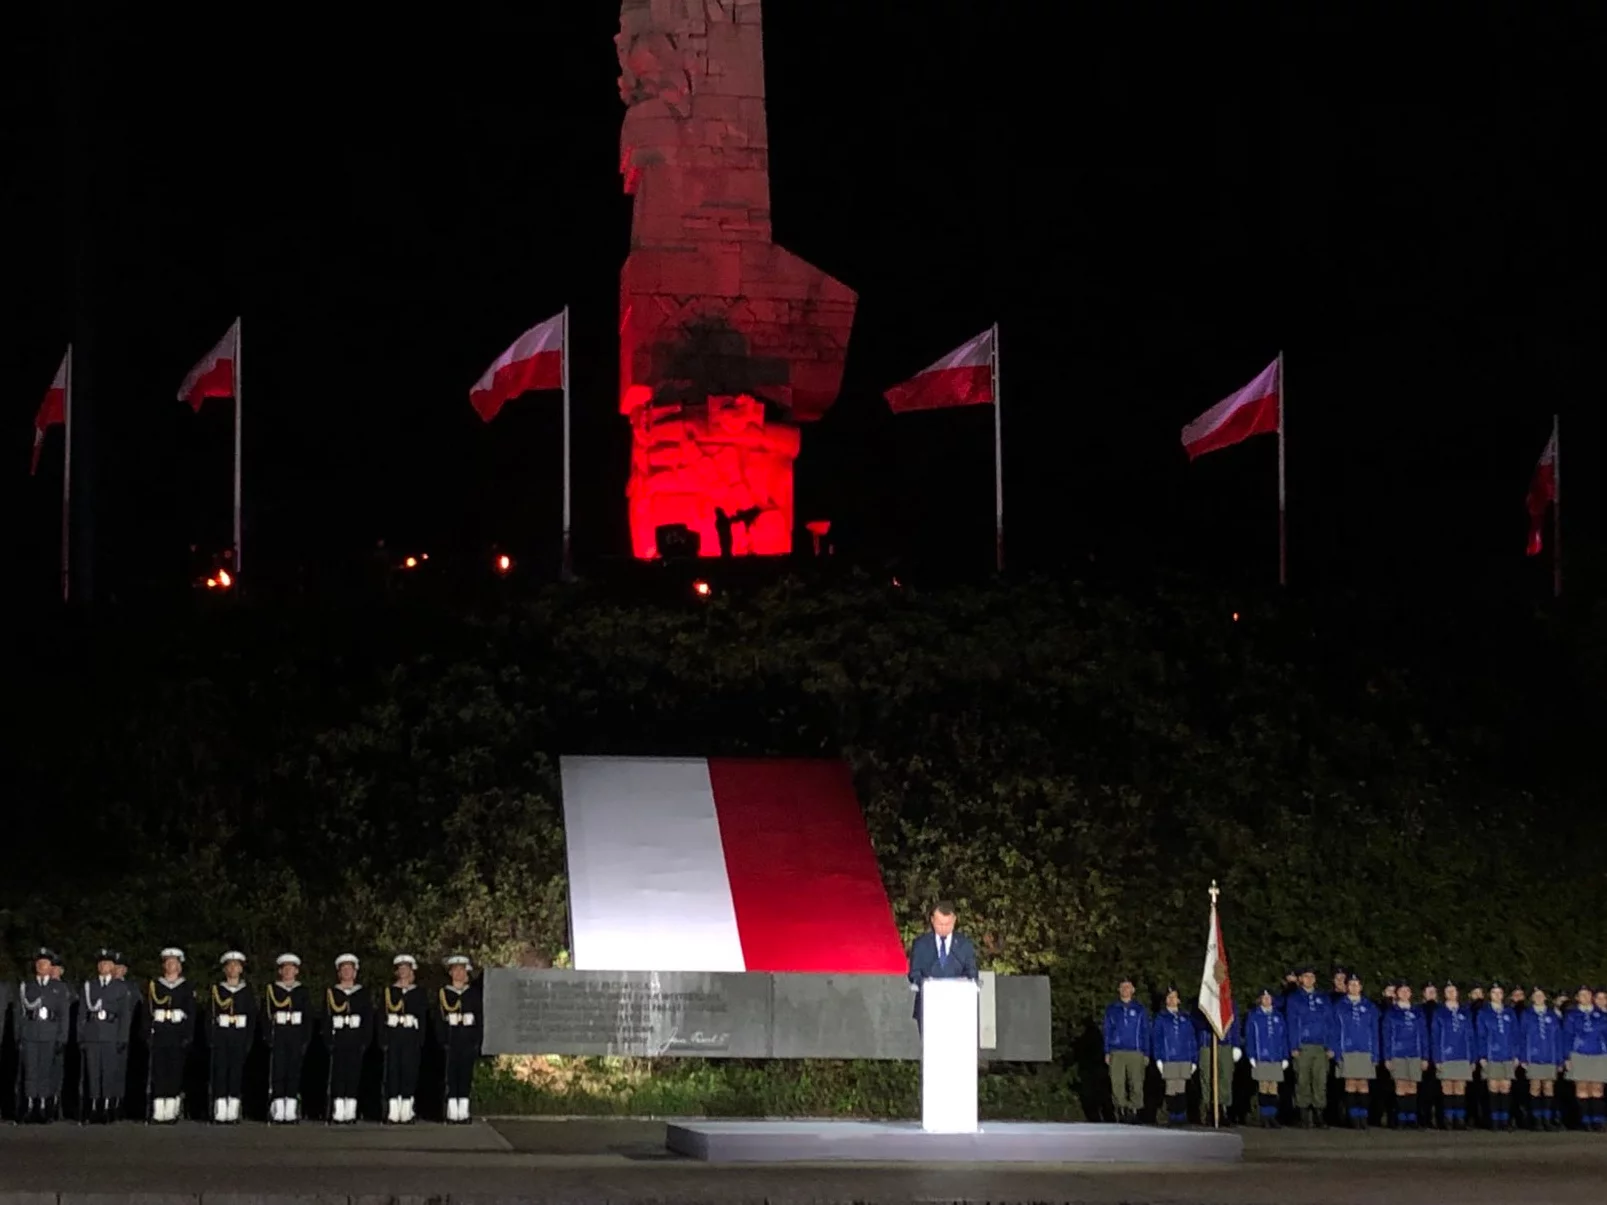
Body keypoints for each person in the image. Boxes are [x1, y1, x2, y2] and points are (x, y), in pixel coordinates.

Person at [77, 948, 134, 1124]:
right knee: (93, 1073)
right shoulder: (89, 986)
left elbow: (125, 1016)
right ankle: (94, 1106)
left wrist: (122, 1038)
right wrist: (81, 1037)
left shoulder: (120, 988)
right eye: (101, 963)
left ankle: (108, 1106)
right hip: (93, 1034)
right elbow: (82, 1015)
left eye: (107, 963)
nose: (103, 966)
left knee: (108, 1073)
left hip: (111, 1033)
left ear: (112, 966)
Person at [15, 948, 71, 1123]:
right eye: (39, 963)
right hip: (30, 1033)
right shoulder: (27, 986)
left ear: (51, 966)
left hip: (50, 1033)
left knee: (46, 1072)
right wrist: (19, 1035)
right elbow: (20, 1014)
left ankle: (44, 1107)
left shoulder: (59, 988)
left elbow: (64, 1015)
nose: (41, 965)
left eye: (45, 963)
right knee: (31, 1072)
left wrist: (62, 1037)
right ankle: (30, 1106)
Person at [906, 901, 978, 1030]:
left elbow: (972, 973)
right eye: (940, 924)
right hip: (928, 1007)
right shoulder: (921, 944)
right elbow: (914, 973)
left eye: (948, 924)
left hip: (958, 1008)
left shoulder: (964, 945)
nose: (944, 927)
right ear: (932, 920)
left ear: (954, 920)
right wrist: (926, 984)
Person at [146, 947, 197, 1123]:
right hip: (160, 1034)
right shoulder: (155, 986)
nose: (170, 965)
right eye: (168, 962)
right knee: (159, 1072)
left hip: (177, 1034)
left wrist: (188, 1035)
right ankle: (159, 1110)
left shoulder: (186, 987)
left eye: (174, 963)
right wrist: (147, 1033)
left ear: (179, 967)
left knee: (174, 1072)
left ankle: (172, 1110)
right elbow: (148, 1012)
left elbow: (191, 1013)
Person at [207, 951, 255, 1124]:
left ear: (241, 969)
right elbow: (210, 1016)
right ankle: (220, 1109)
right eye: (230, 966)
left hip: (239, 1036)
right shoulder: (217, 990)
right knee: (220, 1072)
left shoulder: (247, 991)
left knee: (236, 1072)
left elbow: (251, 1017)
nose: (233, 969)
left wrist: (249, 1039)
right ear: (225, 969)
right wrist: (210, 1037)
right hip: (221, 1035)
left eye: (236, 965)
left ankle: (233, 1110)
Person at [434, 954, 483, 1124]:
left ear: (466, 973)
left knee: (465, 1076)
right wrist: (443, 1040)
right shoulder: (444, 993)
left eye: (462, 970)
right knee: (451, 1077)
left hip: (467, 1041)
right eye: (455, 970)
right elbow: (438, 1019)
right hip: (451, 1040)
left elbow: (480, 1018)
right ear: (450, 973)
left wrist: (477, 1039)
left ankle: (463, 1111)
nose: (459, 974)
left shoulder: (473, 994)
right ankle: (451, 1112)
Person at [264, 953, 311, 1124]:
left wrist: (305, 1038)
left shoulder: (302, 991)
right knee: (278, 1071)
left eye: (291, 968)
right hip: (280, 1033)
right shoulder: (272, 990)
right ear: (280, 971)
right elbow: (266, 1015)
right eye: (285, 968)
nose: (288, 971)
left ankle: (290, 1108)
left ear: (296, 971)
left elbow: (307, 1017)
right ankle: (277, 1108)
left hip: (296, 1034)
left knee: (293, 1071)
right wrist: (268, 1036)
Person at [380, 954, 427, 1124]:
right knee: (393, 1072)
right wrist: (383, 1039)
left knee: (409, 1072)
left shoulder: (419, 992)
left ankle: (407, 1110)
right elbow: (381, 1017)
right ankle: (393, 1111)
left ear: (411, 971)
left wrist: (420, 1040)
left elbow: (422, 1017)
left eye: (406, 968)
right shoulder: (389, 992)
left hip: (410, 1037)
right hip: (394, 1036)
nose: (403, 972)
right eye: (400, 969)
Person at [1329, 971, 1380, 1129]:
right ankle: (1352, 1117)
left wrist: (1376, 1054)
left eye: (1356, 984)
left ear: (1361, 987)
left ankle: (1363, 1116)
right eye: (1350, 984)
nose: (1353, 987)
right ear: (1346, 987)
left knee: (1363, 1084)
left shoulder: (1369, 1006)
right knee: (1350, 1083)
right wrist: (1336, 1051)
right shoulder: (1339, 1006)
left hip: (1365, 1049)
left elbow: (1374, 1031)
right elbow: (1334, 1030)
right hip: (1347, 1050)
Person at [324, 954, 370, 1124]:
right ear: (339, 973)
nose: (346, 972)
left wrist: (365, 1040)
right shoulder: (332, 992)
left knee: (353, 1074)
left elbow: (367, 1018)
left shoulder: (362, 993)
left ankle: (350, 1110)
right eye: (343, 969)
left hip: (355, 1037)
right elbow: (326, 1019)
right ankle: (338, 1109)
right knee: (338, 1074)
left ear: (355, 973)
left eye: (349, 969)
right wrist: (329, 1040)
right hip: (339, 1037)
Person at [1285, 964, 1331, 1128]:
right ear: (1300, 979)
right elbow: (1291, 1023)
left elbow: (1329, 1023)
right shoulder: (1294, 998)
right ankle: (1303, 1114)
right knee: (1302, 1080)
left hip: (1320, 1046)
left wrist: (1330, 1045)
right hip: (1303, 1045)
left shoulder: (1323, 998)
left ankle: (1319, 1113)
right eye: (1306, 976)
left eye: (1311, 977)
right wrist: (1294, 1045)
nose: (1309, 979)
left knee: (1320, 1080)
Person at [1103, 977, 1150, 1124]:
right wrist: (1107, 1051)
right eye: (1122, 987)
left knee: (1136, 1083)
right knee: (1117, 1083)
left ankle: (1135, 1110)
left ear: (1133, 990)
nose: (1125, 990)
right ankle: (1121, 1109)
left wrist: (1146, 1052)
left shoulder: (1139, 1009)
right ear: (1119, 990)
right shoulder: (1112, 1009)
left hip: (1135, 1051)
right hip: (1117, 1051)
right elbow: (1107, 1030)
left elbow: (1145, 1031)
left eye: (1128, 987)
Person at [1518, 984, 1563, 1131]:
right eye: (1536, 995)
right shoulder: (1527, 1015)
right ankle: (1536, 1119)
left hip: (1549, 1056)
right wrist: (1523, 1057)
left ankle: (1547, 1118)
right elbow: (1522, 1037)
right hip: (1533, 1056)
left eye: (1541, 995)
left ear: (1545, 998)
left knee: (1549, 1087)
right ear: (1531, 998)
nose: (1539, 998)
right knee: (1535, 1086)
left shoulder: (1552, 1016)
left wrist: (1559, 1059)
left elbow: (1558, 1039)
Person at [1242, 987, 1289, 1127]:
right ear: (1260, 1000)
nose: (1267, 1000)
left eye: (1269, 998)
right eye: (1264, 998)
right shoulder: (1254, 1016)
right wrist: (1250, 1054)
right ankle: (1264, 1116)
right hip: (1261, 1056)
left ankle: (1272, 1115)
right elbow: (1249, 1036)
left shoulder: (1278, 1016)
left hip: (1276, 1056)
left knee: (1273, 1087)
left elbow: (1283, 1037)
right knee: (1263, 1086)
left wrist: (1285, 1056)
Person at [1382, 981, 1427, 1128]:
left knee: (1412, 1085)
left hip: (1414, 1053)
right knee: (1400, 1085)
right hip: (1398, 1053)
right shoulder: (1391, 1013)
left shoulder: (1418, 1012)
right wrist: (1387, 1057)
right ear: (1396, 994)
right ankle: (1401, 1118)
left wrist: (1425, 1056)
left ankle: (1411, 1118)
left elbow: (1424, 1035)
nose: (1405, 993)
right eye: (1401, 991)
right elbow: (1386, 1036)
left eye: (1407, 990)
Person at [1432, 980, 1476, 1129]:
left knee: (1460, 1087)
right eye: (1448, 991)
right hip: (1446, 1055)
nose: (1451, 993)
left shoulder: (1465, 1012)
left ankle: (1460, 1118)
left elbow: (1471, 1036)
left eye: (1453, 991)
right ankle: (1448, 1119)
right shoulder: (1439, 1013)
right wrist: (1437, 1057)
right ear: (1444, 994)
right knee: (1447, 1087)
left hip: (1462, 1054)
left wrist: (1472, 1057)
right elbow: (1435, 1036)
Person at [1563, 984, 1606, 1132]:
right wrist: (1566, 1056)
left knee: (1597, 1087)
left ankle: (1598, 1121)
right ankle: (1585, 1120)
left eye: (1587, 994)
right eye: (1582, 995)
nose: (1585, 997)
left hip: (1599, 1053)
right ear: (1577, 998)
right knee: (1582, 1087)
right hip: (1579, 1053)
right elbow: (1567, 1036)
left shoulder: (1601, 1014)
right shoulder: (1572, 1015)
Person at [1476, 980, 1519, 1130]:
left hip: (1507, 1054)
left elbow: (1515, 1035)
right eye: (1494, 993)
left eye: (1500, 993)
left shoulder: (1509, 1012)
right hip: (1491, 1054)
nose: (1497, 995)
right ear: (1490, 995)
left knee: (1506, 1086)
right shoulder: (1484, 1013)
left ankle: (1505, 1120)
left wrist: (1516, 1055)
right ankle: (1494, 1120)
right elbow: (1480, 1035)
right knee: (1493, 1086)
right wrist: (1481, 1055)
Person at [1150, 987, 1195, 1127]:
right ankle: (1172, 1115)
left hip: (1184, 1057)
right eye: (1169, 997)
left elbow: (1191, 1039)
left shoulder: (1186, 1018)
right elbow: (1156, 1039)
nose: (1172, 1000)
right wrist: (1158, 1058)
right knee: (1171, 1087)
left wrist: (1194, 1058)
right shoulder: (1161, 1018)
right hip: (1168, 1057)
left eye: (1174, 997)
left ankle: (1180, 1115)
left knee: (1181, 1087)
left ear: (1179, 1000)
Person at [1194, 1001, 1239, 1126]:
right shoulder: (1203, 1000)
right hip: (1206, 1042)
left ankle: (1222, 1109)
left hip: (1225, 1042)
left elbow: (1234, 1023)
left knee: (1225, 1077)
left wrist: (1235, 1044)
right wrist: (1210, 1023)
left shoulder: (1229, 1001)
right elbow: (1196, 1022)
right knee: (1207, 1077)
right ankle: (1208, 1110)